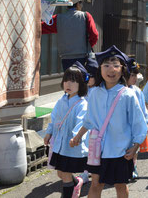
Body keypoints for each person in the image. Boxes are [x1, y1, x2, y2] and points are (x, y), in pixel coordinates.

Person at [70, 45, 147, 198]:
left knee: (120, 185)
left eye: (115, 65)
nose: (111, 69)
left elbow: (139, 122)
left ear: (122, 69)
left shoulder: (128, 95)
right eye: (106, 65)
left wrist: (136, 145)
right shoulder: (94, 93)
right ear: (100, 69)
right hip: (98, 150)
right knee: (96, 184)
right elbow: (89, 120)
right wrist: (78, 136)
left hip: (121, 151)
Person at [44, 62, 89, 198]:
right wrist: (48, 132)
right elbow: (54, 118)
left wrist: (76, 137)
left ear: (81, 84)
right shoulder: (60, 101)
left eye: (74, 81)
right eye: (66, 80)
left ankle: (69, 193)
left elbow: (82, 122)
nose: (69, 84)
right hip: (59, 145)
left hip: (71, 146)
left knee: (65, 175)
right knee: (61, 173)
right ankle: (77, 183)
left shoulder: (82, 104)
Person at [41, 0, 99, 71]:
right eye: (81, 2)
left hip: (66, 58)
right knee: (83, 80)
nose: (81, 5)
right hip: (83, 56)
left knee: (70, 81)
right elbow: (94, 35)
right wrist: (88, 45)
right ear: (78, 4)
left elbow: (41, 27)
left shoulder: (58, 18)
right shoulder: (86, 16)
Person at [126, 58, 148, 179]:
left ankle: (134, 166)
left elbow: (143, 109)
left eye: (135, 75)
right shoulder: (120, 90)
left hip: (135, 125)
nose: (134, 78)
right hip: (124, 126)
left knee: (134, 148)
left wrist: (145, 123)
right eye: (131, 75)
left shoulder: (137, 91)